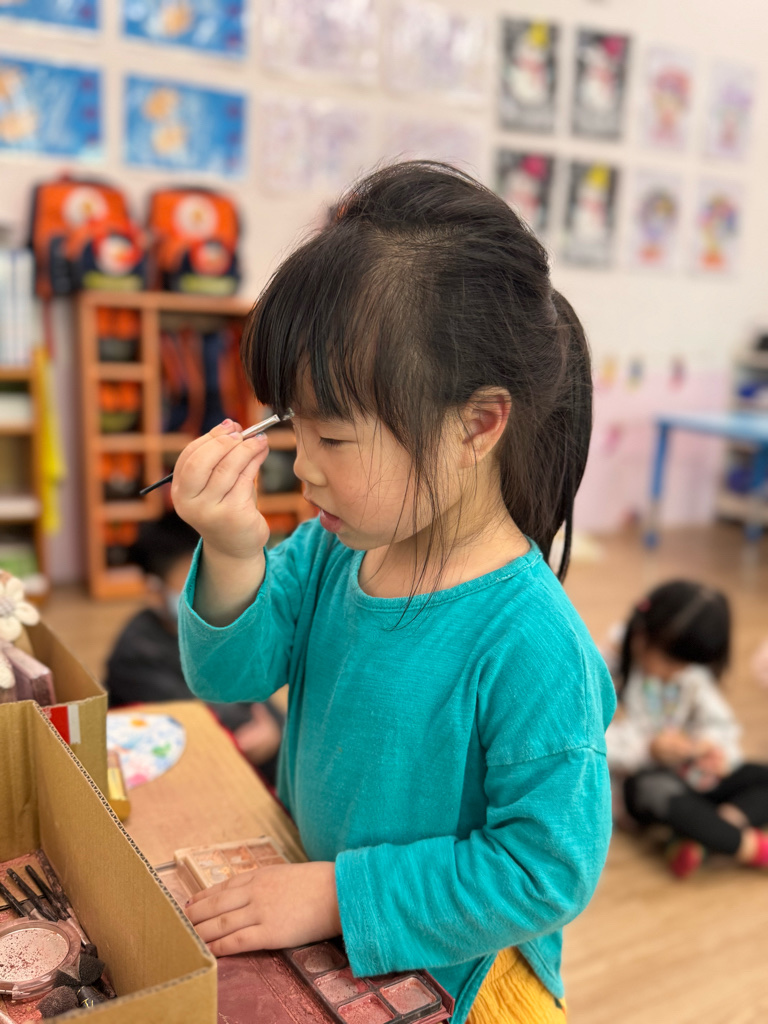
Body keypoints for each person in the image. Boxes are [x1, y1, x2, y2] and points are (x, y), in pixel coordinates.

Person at [172, 162, 616, 1024]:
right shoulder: (334, 548)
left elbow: (545, 871)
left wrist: (337, 895)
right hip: (329, 931)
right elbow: (231, 676)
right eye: (293, 429)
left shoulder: (533, 642)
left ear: (476, 426)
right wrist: (229, 548)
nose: (304, 469)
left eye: (334, 438)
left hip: (465, 979)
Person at [605, 579, 768, 878]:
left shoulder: (690, 669)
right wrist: (649, 750)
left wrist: (715, 749)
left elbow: (720, 723)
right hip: (640, 786)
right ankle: (746, 846)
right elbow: (591, 743)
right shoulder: (605, 670)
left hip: (693, 778)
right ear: (642, 637)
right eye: (671, 663)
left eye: (688, 665)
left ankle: (703, 835)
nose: (679, 673)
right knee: (652, 787)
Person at [104, 511, 283, 783]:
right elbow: (207, 723)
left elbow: (258, 693)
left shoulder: (216, 630)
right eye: (193, 583)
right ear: (155, 593)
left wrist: (276, 731)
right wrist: (270, 734)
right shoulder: (137, 655)